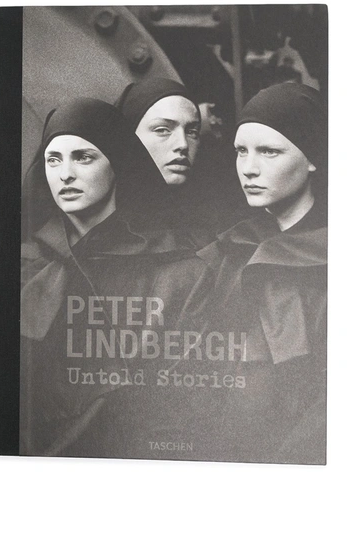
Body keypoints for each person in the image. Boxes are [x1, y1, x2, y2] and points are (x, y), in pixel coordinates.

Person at [20, 97, 215, 459]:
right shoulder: (24, 266)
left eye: (83, 157)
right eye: (53, 159)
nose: (65, 174)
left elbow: (182, 401)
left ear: (118, 164)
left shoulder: (181, 274)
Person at [196, 83, 327, 464]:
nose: (249, 168)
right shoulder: (226, 251)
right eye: (241, 151)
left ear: (313, 157)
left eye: (269, 151)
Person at [116, 77, 222, 246]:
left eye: (192, 132)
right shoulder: (96, 228)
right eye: (162, 130)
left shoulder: (213, 230)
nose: (183, 144)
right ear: (128, 137)